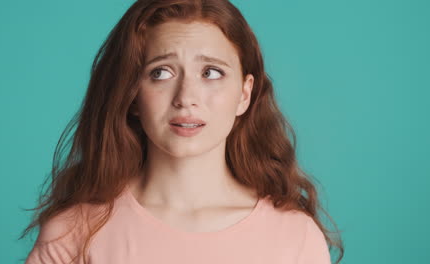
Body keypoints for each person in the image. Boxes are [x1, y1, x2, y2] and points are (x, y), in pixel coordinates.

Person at [20, 0, 344, 263]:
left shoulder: (293, 236)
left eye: (211, 72)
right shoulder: (75, 233)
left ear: (244, 94)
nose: (186, 97)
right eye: (160, 72)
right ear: (132, 95)